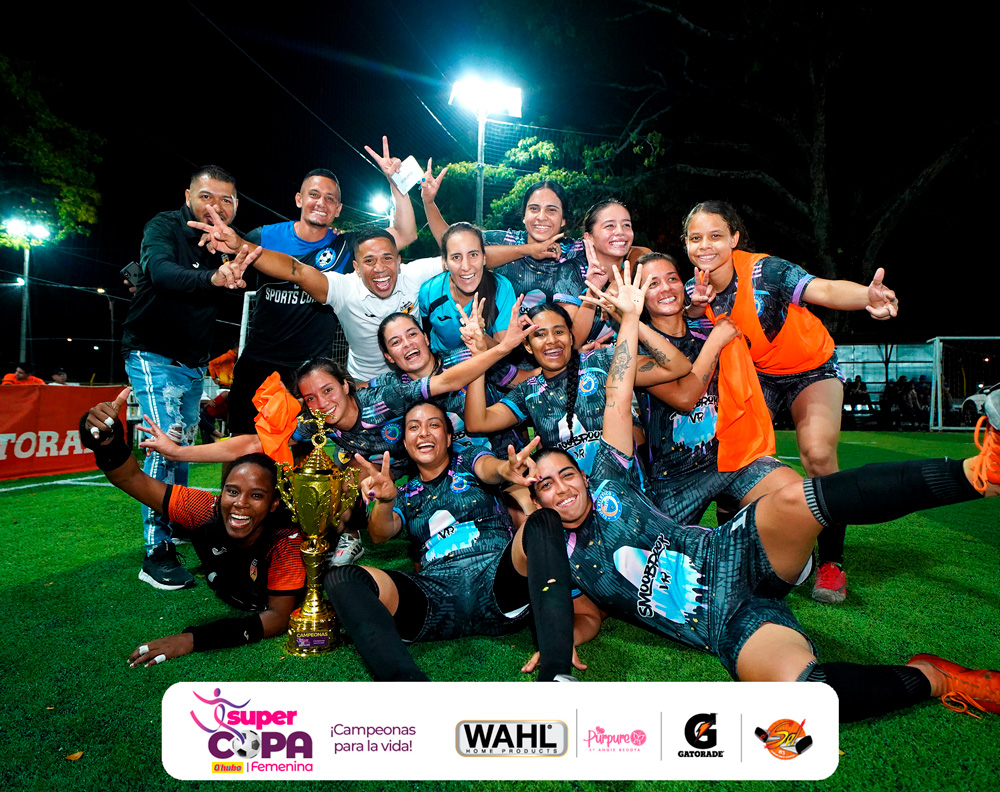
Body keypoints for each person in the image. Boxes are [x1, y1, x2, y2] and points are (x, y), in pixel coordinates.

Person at [520, 261, 1000, 725]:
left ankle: (977, 474)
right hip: (725, 622)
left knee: (799, 497)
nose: (562, 488)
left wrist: (629, 319)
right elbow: (586, 616)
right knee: (804, 696)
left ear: (584, 475)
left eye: (567, 474)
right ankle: (937, 679)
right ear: (536, 501)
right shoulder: (565, 559)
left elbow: (618, 393)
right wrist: (560, 641)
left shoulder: (611, 477)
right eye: (546, 484)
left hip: (734, 550)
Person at [136, 302, 538, 565]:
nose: (322, 402)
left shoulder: (387, 395)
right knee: (336, 478)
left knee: (511, 504)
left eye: (328, 390)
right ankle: (346, 534)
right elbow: (253, 443)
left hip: (445, 458)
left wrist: (499, 348)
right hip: (392, 474)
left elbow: (447, 381)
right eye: (311, 397)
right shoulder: (317, 422)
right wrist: (179, 452)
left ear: (346, 386)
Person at [683, 200, 898, 604]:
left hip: (810, 367)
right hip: (758, 374)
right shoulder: (693, 290)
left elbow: (825, 289)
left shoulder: (766, 271)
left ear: (734, 238)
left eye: (715, 236)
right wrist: (691, 308)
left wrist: (866, 297)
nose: (705, 245)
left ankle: (831, 561)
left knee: (817, 454)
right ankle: (732, 552)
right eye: (696, 238)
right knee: (732, 453)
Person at [80, 389, 304, 666]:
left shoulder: (285, 539)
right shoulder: (205, 508)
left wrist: (193, 639)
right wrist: (105, 439)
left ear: (273, 504)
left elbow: (278, 619)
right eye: (232, 491)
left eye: (256, 495)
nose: (240, 503)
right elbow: (130, 479)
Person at [321, 400, 541, 680]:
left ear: (448, 438)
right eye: (414, 427)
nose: (423, 433)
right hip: (436, 598)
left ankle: (556, 660)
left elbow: (489, 467)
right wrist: (386, 502)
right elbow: (379, 534)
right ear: (405, 442)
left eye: (433, 425)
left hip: (498, 582)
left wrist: (503, 469)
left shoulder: (469, 461)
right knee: (341, 577)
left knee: (541, 521)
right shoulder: (405, 493)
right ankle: (406, 683)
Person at [227, 140, 418, 435]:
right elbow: (227, 267)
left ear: (338, 209)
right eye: (314, 195)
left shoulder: (345, 247)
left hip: (310, 371)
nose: (321, 203)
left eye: (330, 199)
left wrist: (395, 182)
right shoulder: (262, 237)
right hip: (259, 361)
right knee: (243, 445)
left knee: (302, 452)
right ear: (299, 199)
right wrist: (228, 273)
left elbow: (405, 233)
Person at [120, 165, 252, 591]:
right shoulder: (164, 226)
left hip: (194, 362)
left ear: (236, 206)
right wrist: (214, 276)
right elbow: (160, 272)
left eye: (227, 199)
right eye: (207, 196)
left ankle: (176, 520)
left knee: (181, 450)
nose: (217, 207)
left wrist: (232, 262)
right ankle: (155, 551)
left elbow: (247, 271)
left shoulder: (226, 241)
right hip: (152, 352)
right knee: (166, 443)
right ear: (188, 197)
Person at [634, 252, 801, 524]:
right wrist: (716, 340)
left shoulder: (707, 324)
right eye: (652, 284)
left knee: (797, 496)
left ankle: (736, 522)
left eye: (672, 279)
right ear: (638, 297)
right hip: (673, 478)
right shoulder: (636, 349)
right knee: (660, 550)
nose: (665, 288)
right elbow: (685, 398)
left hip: (730, 461)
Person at [188, 208, 443, 383]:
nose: (380, 268)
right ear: (356, 268)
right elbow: (298, 271)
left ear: (399, 261)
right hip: (367, 385)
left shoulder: (414, 274)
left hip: (419, 375)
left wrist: (426, 199)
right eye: (369, 261)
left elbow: (458, 256)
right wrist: (241, 246)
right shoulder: (344, 289)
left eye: (387, 258)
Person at [463, 298, 691, 478]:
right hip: (572, 503)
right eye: (540, 335)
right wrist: (478, 356)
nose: (551, 340)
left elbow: (677, 367)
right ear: (528, 346)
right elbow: (477, 422)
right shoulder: (528, 392)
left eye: (559, 331)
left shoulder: (602, 361)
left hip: (628, 493)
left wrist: (632, 320)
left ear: (571, 337)